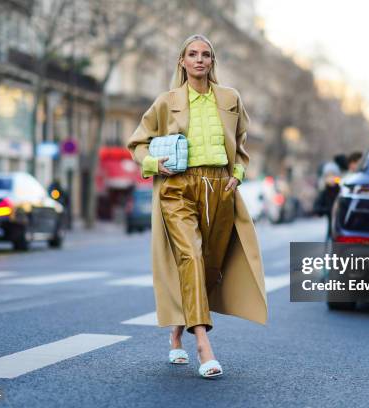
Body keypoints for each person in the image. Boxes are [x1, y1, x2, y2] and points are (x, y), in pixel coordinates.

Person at [126, 34, 267, 379]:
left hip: (219, 187)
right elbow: (137, 142)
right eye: (193, 54)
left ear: (212, 62)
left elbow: (243, 142)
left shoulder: (230, 98)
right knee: (189, 254)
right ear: (182, 61)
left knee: (208, 265)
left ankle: (177, 330)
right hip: (178, 187)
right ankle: (203, 344)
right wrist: (154, 166)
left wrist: (237, 172)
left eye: (206, 55)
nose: (200, 60)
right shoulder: (166, 101)